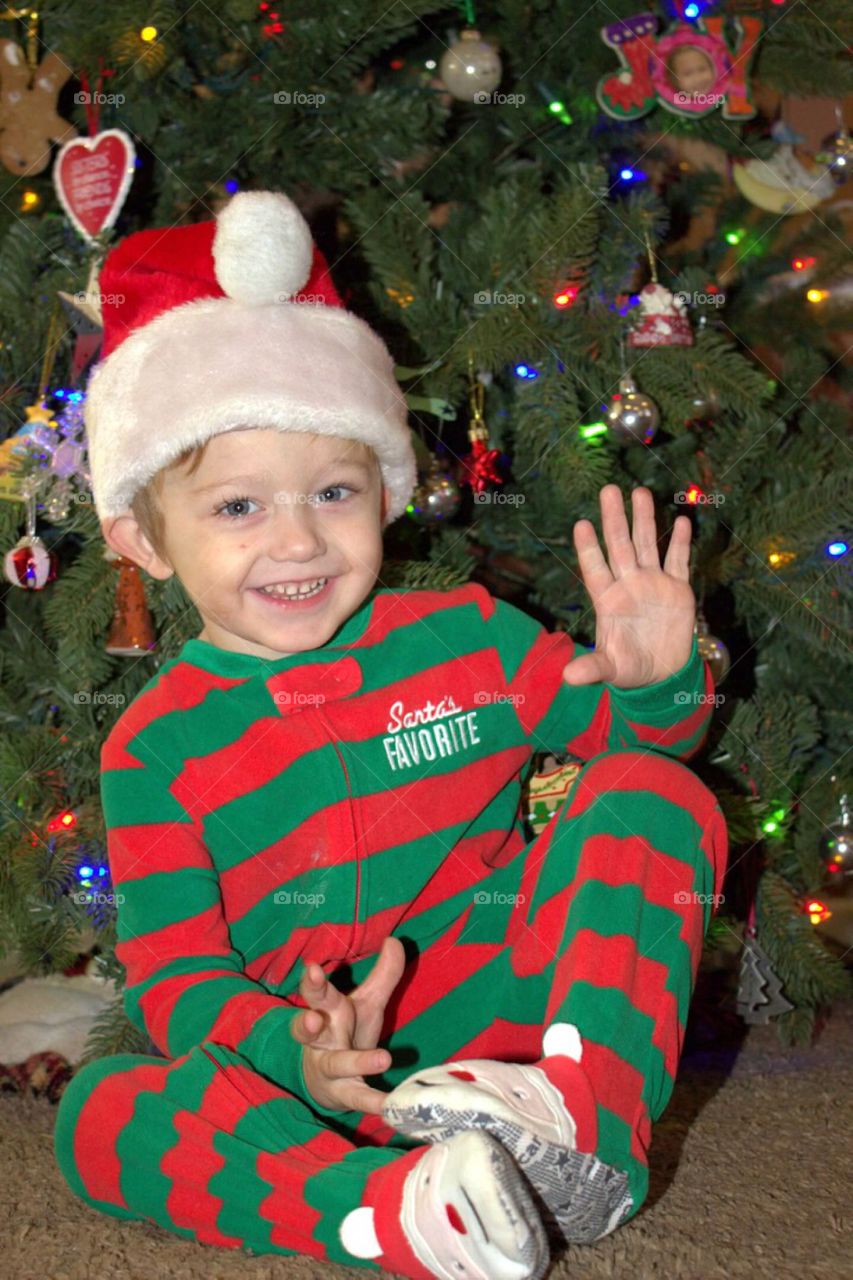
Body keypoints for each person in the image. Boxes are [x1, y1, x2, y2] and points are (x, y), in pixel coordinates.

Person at [53, 190, 728, 1280]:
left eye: (333, 490)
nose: (298, 540)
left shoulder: (465, 636)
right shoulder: (153, 749)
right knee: (99, 1110)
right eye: (237, 508)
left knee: (653, 794)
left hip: (513, 1033)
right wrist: (296, 1050)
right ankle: (394, 1209)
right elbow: (178, 980)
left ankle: (584, 1128)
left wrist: (652, 687)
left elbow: (635, 745)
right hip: (314, 1072)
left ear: (387, 490)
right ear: (144, 537)